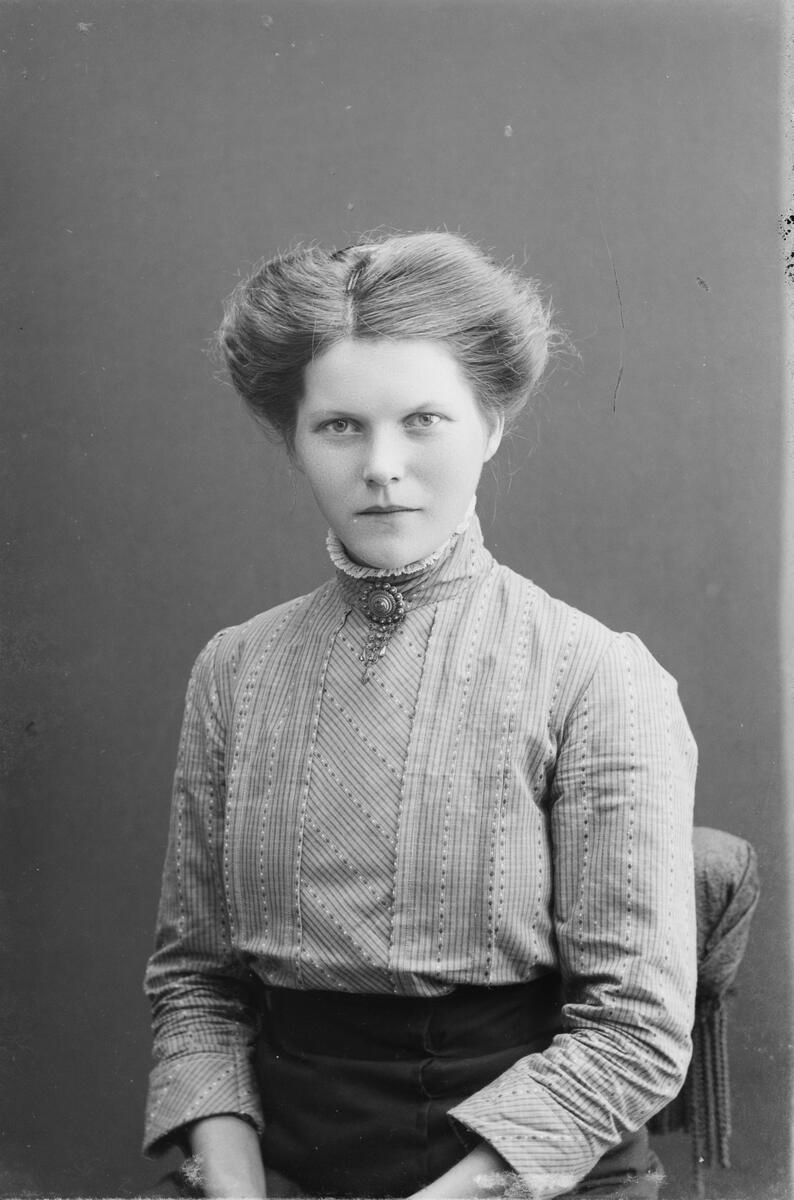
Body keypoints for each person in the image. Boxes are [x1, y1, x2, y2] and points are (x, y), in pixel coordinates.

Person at [143, 231, 697, 1200]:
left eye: (424, 420)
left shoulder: (596, 674)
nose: (383, 466)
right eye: (339, 427)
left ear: (490, 425)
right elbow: (197, 986)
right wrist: (238, 1190)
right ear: (294, 441)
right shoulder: (235, 670)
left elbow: (634, 1030)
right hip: (283, 1164)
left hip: (532, 1170)